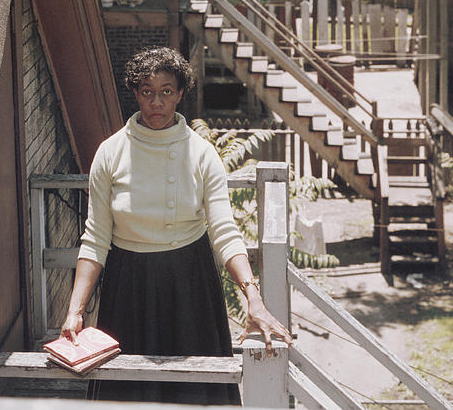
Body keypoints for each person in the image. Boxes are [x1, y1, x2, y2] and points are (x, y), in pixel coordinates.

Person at [60, 46, 292, 404]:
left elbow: (224, 232)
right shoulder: (110, 152)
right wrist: (75, 311)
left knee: (195, 391)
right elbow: (95, 238)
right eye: (147, 91)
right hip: (129, 285)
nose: (156, 102)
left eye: (166, 91)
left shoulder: (201, 153)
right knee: (129, 392)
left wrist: (253, 297)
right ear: (135, 93)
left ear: (181, 93)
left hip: (189, 282)